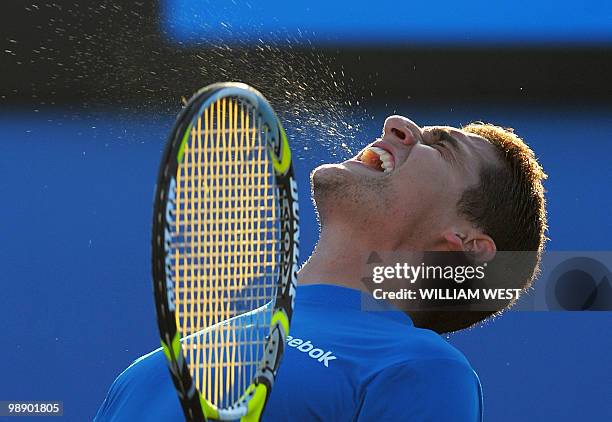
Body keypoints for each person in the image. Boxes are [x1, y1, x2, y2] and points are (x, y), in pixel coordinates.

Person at [95, 115, 547, 421]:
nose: (398, 126)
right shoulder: (161, 364)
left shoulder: (422, 369)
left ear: (466, 244)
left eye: (442, 147)